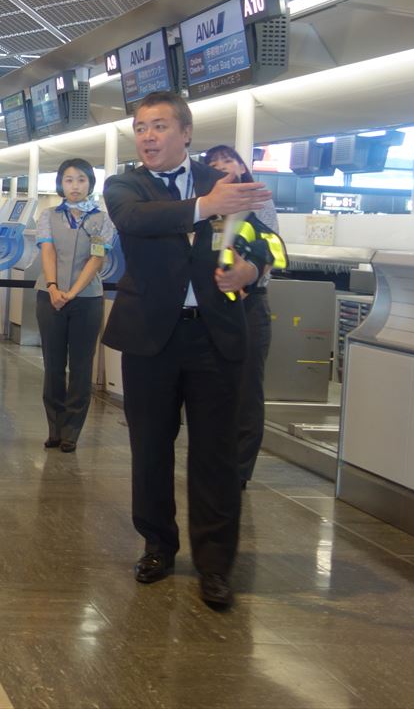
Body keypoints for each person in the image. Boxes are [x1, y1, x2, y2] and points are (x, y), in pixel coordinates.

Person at [101, 91, 275, 612]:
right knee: (150, 448)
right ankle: (158, 545)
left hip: (215, 336)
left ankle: (215, 565)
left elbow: (264, 243)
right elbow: (136, 221)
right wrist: (205, 207)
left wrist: (253, 269)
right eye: (140, 127)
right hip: (151, 338)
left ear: (185, 133)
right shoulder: (124, 185)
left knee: (216, 455)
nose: (147, 137)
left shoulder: (223, 182)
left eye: (158, 126)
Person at [203, 145, 284, 487]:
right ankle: (216, 461)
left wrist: (248, 271)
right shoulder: (207, 207)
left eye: (229, 161)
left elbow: (273, 251)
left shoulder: (258, 201)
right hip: (213, 304)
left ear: (242, 166)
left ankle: (239, 471)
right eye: (215, 165)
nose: (223, 168)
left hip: (248, 305)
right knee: (214, 387)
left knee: (247, 389)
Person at [35, 159, 115, 454]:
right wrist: (55, 288)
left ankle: (72, 431)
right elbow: (48, 251)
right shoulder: (49, 216)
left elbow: (97, 259)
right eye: (68, 180)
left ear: (90, 184)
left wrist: (73, 292)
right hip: (49, 296)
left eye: (81, 180)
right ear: (60, 184)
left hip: (87, 299)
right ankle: (54, 427)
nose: (75, 186)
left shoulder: (101, 220)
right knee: (53, 366)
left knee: (81, 367)